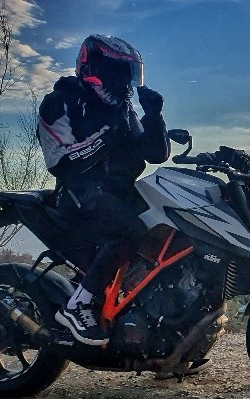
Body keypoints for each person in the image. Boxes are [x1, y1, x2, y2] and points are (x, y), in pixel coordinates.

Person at [38, 34, 170, 346]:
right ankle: (78, 304)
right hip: (78, 194)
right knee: (129, 231)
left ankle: (154, 314)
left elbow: (155, 154)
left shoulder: (124, 110)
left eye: (129, 73)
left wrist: (154, 116)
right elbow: (59, 161)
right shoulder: (61, 102)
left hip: (118, 193)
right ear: (92, 68)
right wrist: (104, 136)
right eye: (118, 72)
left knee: (167, 224)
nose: (125, 82)